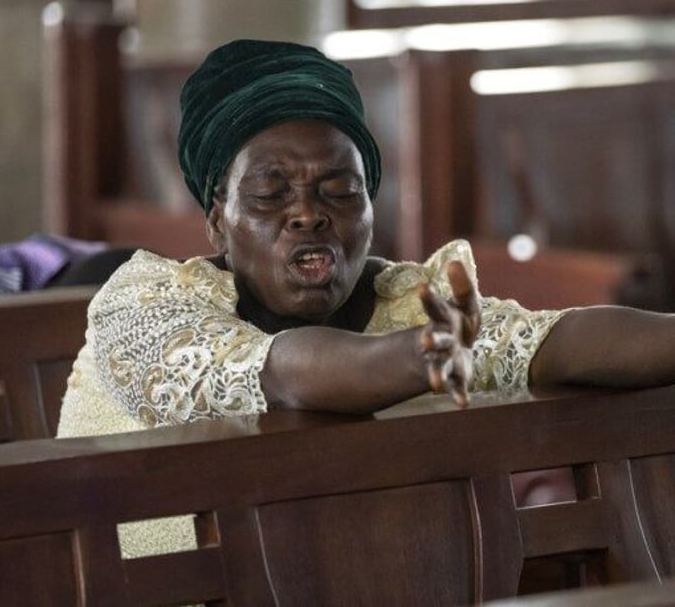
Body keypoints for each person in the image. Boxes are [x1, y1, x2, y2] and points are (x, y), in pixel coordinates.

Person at [57, 39, 675, 556]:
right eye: (271, 194)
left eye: (341, 190)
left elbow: (552, 340)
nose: (308, 214)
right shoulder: (142, 306)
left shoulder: (403, 303)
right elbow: (287, 371)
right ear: (219, 220)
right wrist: (426, 354)